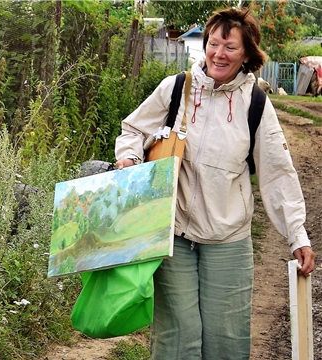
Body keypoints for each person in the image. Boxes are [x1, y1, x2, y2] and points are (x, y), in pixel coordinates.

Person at [114, 7, 315, 360]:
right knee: (178, 338)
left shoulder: (255, 104)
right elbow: (133, 129)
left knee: (226, 339)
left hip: (228, 240)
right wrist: (130, 159)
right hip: (172, 235)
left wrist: (296, 234)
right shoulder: (176, 88)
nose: (219, 54)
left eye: (231, 47)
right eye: (214, 43)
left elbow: (277, 171)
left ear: (248, 55)